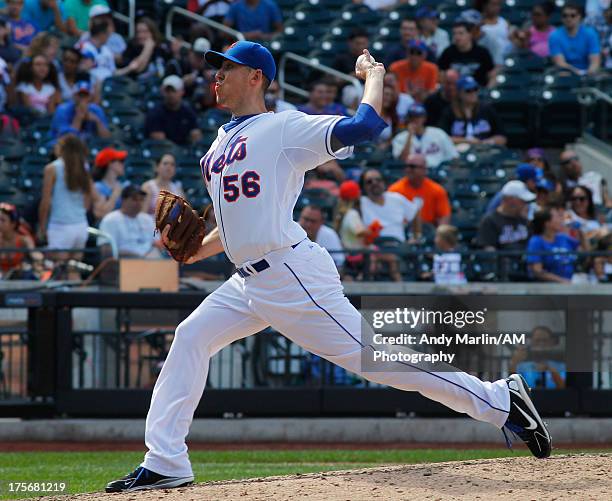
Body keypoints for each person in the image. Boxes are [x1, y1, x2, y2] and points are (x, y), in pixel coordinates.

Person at [105, 41, 551, 493]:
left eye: (228, 69)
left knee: (378, 361)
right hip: (248, 279)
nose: (216, 76)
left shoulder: (283, 127)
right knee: (191, 337)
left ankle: (500, 400)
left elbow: (365, 126)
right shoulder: (219, 144)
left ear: (256, 77)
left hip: (290, 276)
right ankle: (165, 462)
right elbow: (235, 223)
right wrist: (194, 250)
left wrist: (373, 76)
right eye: (216, 69)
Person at [38, 134, 101, 258]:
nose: (55, 148)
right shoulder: (84, 167)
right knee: (74, 269)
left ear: (63, 148)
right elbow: (91, 197)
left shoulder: (52, 168)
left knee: (60, 270)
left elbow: (45, 202)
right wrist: (81, 211)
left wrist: (42, 226)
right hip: (80, 225)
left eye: (57, 145)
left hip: (60, 225)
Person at [359, 168, 421, 281]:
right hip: (375, 249)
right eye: (369, 181)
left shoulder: (396, 198)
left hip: (400, 247)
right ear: (363, 186)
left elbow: (415, 212)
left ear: (384, 182)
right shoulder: (360, 203)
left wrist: (416, 236)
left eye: (378, 180)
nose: (374, 183)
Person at [439, 75, 507, 145]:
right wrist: (466, 141)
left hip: (485, 151)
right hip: (458, 152)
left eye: (475, 89)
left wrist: (485, 142)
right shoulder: (449, 111)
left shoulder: (487, 109)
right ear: (459, 93)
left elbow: (502, 137)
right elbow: (442, 138)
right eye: (468, 91)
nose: (473, 93)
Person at [98, 185, 161, 258]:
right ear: (123, 200)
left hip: (151, 261)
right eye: (134, 199)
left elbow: (157, 244)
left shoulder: (147, 219)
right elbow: (107, 251)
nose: (139, 202)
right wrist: (136, 256)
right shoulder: (110, 219)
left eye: (141, 199)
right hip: (124, 262)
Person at [388, 154, 451, 226]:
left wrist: (440, 234)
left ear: (424, 169)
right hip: (403, 228)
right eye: (407, 166)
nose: (408, 170)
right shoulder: (395, 190)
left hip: (429, 229)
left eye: (412, 167)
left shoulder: (437, 190)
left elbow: (444, 216)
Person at [391, 103, 458, 167]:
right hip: (413, 173)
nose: (415, 119)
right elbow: (402, 161)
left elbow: (453, 156)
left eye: (418, 116)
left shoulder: (438, 133)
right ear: (408, 119)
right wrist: (410, 135)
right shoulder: (399, 138)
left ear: (424, 118)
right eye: (412, 117)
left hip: (438, 171)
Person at [144, 75, 203, 145]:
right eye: (168, 91)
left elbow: (196, 135)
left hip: (184, 150)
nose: (171, 94)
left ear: (182, 92)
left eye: (174, 91)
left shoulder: (188, 112)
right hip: (164, 152)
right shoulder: (155, 113)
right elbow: (160, 142)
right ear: (163, 92)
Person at [527, 208, 582, 283]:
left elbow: (584, 252)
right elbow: (537, 271)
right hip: (549, 289)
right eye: (557, 217)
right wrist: (562, 281)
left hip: (571, 284)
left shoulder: (563, 237)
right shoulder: (536, 241)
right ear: (547, 223)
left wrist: (582, 231)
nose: (561, 220)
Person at [476, 180, 532, 251]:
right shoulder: (489, 221)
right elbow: (489, 252)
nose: (525, 204)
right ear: (510, 200)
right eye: (523, 201)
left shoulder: (524, 220)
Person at [438, 21, 496, 87]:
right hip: (455, 92)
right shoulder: (448, 52)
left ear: (470, 34)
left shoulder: (482, 52)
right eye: (454, 34)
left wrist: (488, 90)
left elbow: (492, 74)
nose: (457, 37)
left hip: (478, 91)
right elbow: (441, 74)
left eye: (461, 33)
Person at [549, 3, 601, 75]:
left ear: (579, 16)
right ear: (561, 18)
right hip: (567, 73)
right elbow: (560, 63)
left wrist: (590, 72)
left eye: (573, 15)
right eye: (565, 16)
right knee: (563, 73)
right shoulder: (555, 36)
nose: (568, 18)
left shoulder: (590, 34)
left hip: (588, 73)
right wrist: (577, 73)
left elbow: (595, 61)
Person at [0, 202, 38, 277]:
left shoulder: (24, 239)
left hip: (18, 278)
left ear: (13, 224)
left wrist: (37, 257)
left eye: (2, 220)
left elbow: (35, 255)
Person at [91, 147, 129, 221]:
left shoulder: (124, 185)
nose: (123, 164)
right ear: (110, 164)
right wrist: (115, 194)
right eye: (121, 161)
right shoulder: (98, 187)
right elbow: (100, 215)